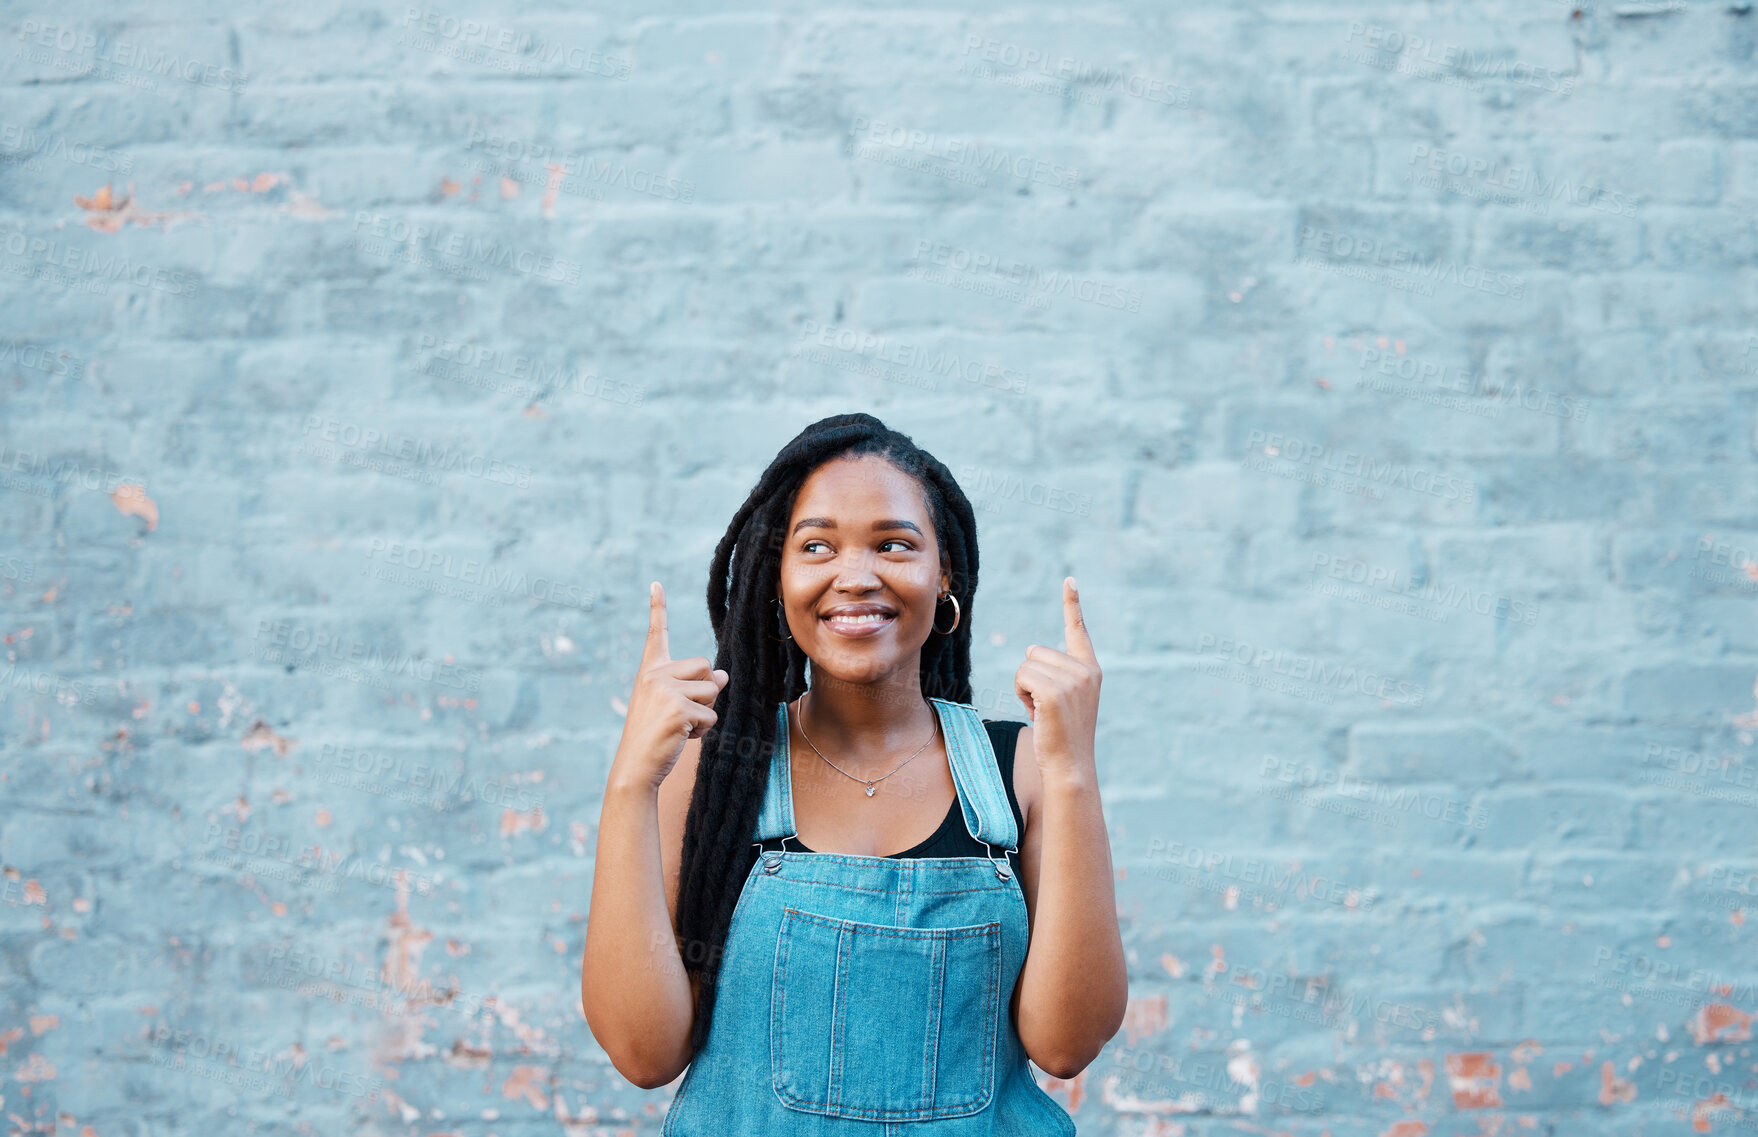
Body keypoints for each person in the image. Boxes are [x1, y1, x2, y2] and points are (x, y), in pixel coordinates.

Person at [581, 412, 1126, 1132]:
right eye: (817, 546)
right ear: (779, 577)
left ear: (944, 574)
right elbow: (643, 1053)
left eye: (895, 544)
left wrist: (1074, 772)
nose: (857, 575)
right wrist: (629, 786)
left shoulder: (1019, 771)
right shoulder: (713, 776)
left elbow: (1066, 1043)